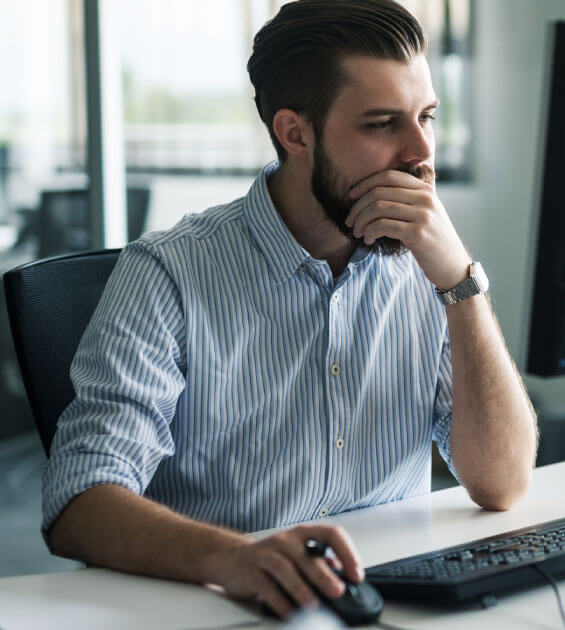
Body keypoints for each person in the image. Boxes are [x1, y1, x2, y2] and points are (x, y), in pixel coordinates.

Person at [40, 0, 537, 619]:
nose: (420, 153)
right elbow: (79, 505)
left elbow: (502, 484)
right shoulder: (169, 273)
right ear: (294, 133)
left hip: (393, 603)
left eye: (427, 117)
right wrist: (235, 559)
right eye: (382, 124)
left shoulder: (426, 263)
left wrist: (462, 283)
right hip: (222, 607)